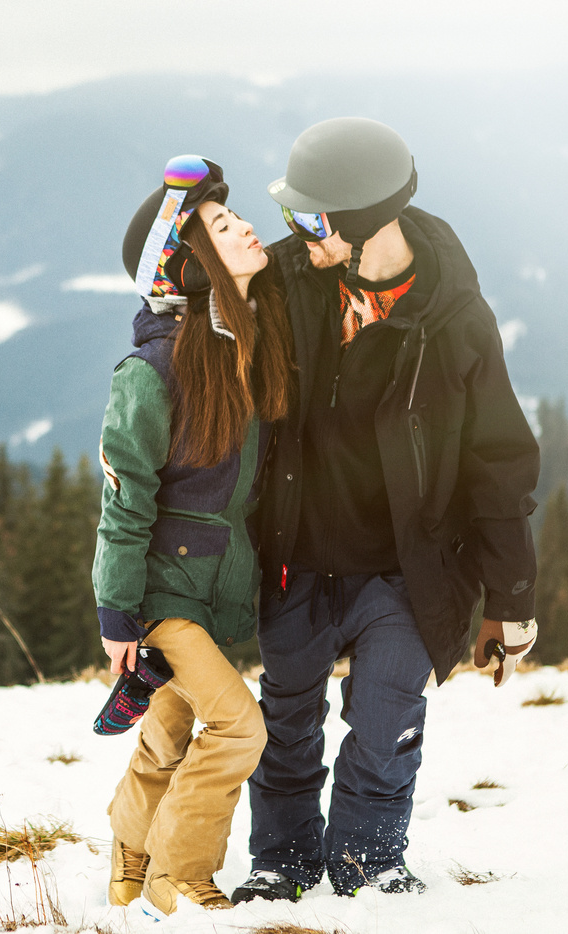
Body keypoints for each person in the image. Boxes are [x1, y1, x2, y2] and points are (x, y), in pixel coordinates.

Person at [232, 118, 540, 902]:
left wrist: (511, 599)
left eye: (313, 218)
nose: (297, 234)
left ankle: (369, 865)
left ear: (363, 221)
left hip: (407, 570)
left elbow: (497, 463)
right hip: (296, 557)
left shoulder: (456, 321)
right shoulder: (289, 283)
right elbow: (196, 298)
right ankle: (282, 862)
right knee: (286, 725)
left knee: (385, 726)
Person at [94, 154, 295, 916]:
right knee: (240, 728)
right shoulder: (152, 371)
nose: (244, 227)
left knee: (170, 733)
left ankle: (131, 861)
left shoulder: (242, 348)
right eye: (220, 224)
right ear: (189, 263)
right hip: (165, 594)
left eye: (234, 216)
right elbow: (123, 501)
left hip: (218, 587)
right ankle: (182, 872)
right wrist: (117, 616)